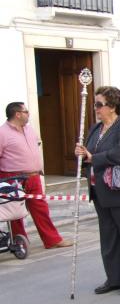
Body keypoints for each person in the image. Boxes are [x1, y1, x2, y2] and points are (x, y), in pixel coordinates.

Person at [74, 86, 120, 295]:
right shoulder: (96, 129)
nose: (96, 108)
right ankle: (114, 278)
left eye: (99, 104)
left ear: (112, 107)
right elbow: (89, 153)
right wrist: (81, 153)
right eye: (95, 104)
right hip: (100, 191)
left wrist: (92, 157)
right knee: (108, 237)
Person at [0, 102, 72, 249]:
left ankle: (52, 240)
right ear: (17, 114)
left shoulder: (29, 129)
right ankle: (20, 243)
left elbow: (35, 146)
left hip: (33, 176)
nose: (29, 114)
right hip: (13, 177)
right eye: (26, 111)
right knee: (16, 213)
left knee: (41, 209)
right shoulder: (2, 133)